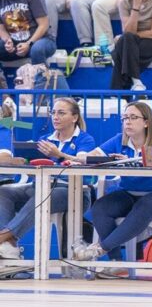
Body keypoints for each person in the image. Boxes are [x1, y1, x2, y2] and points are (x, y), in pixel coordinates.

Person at [73, 102, 152, 262]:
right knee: (100, 207)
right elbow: (90, 155)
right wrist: (77, 158)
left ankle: (100, 249)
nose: (128, 121)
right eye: (125, 118)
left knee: (144, 206)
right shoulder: (118, 140)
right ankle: (116, 262)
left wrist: (132, 160)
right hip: (129, 193)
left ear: (146, 122)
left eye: (133, 117)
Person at [0, 98, 95, 259]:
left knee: (44, 195)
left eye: (61, 113)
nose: (55, 117)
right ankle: (8, 247)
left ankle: (5, 237)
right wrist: (27, 164)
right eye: (53, 113)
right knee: (4, 191)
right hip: (40, 186)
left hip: (73, 192)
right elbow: (36, 167)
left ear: (74, 117)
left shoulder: (85, 139)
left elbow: (81, 164)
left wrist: (59, 155)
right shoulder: (45, 139)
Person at [0, 0, 56, 65]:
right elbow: (1, 28)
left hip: (41, 40)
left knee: (37, 50)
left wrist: (29, 43)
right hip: (15, 43)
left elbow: (44, 25)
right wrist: (7, 40)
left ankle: (41, 78)